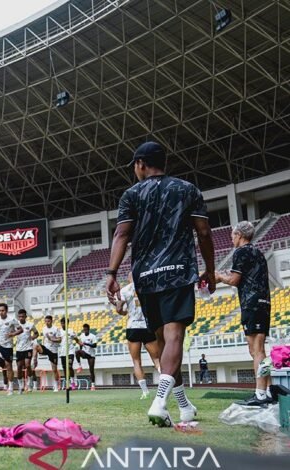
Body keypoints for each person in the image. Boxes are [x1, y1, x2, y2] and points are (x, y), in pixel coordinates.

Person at [106, 141, 214, 427]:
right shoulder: (187, 189)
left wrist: (111, 273)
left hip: (146, 277)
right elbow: (203, 232)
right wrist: (210, 270)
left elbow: (121, 235)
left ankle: (183, 405)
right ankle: (160, 400)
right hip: (178, 271)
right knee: (173, 338)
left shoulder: (131, 194)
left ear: (140, 163)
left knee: (165, 343)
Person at [216, 221, 272, 406]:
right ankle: (269, 390)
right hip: (263, 302)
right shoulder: (258, 252)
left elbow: (234, 280)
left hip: (252, 302)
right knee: (257, 349)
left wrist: (218, 277)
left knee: (257, 350)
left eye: (233, 235)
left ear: (239, 235)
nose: (231, 238)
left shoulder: (241, 251)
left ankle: (260, 394)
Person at [116, 273, 162, 399]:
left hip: (133, 327)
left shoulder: (125, 290)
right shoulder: (147, 286)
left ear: (129, 278)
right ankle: (165, 385)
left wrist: (124, 312)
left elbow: (118, 308)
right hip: (147, 325)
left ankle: (145, 392)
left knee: (136, 361)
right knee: (157, 359)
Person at [14, 309, 38, 394]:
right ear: (18, 317)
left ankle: (30, 382)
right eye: (19, 316)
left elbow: (36, 333)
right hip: (19, 349)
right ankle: (21, 386)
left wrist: (33, 337)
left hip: (28, 348)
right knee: (19, 367)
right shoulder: (16, 324)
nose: (21, 318)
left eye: (22, 316)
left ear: (25, 317)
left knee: (28, 365)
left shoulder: (30, 325)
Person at [40, 315, 62, 392]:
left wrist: (51, 339)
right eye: (45, 321)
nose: (47, 323)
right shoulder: (44, 329)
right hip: (46, 348)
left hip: (53, 350)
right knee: (36, 346)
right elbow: (44, 339)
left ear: (51, 321)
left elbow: (59, 340)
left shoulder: (56, 329)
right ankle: (34, 361)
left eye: (48, 321)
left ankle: (56, 386)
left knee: (54, 369)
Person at [58, 317, 78, 391]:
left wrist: (78, 341)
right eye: (62, 323)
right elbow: (58, 340)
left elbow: (76, 339)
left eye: (64, 323)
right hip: (62, 352)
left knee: (69, 366)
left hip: (70, 351)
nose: (63, 324)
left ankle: (73, 382)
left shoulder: (71, 331)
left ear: (67, 323)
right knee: (65, 368)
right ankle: (68, 383)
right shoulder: (59, 332)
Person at [75, 323, 98, 389]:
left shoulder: (92, 336)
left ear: (88, 329)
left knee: (91, 370)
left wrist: (87, 344)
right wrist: (81, 348)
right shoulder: (82, 336)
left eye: (86, 329)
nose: (85, 331)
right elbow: (80, 344)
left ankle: (93, 385)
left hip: (91, 355)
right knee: (77, 352)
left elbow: (95, 345)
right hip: (85, 353)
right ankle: (80, 366)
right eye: (84, 329)